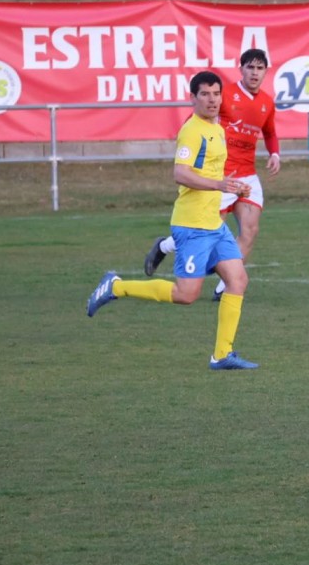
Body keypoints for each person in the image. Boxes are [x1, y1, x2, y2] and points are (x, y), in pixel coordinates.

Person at [87, 71, 258, 370]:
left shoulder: (216, 129)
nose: (212, 99)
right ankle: (116, 287)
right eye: (204, 94)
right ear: (192, 98)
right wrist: (219, 185)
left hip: (213, 224)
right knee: (186, 295)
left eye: (216, 94)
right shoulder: (192, 130)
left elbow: (208, 172)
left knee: (238, 279)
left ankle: (221, 355)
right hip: (192, 225)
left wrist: (230, 184)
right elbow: (180, 173)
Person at [144, 48, 281, 299]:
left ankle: (225, 286)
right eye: (250, 67)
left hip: (248, 175)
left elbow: (270, 132)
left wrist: (275, 154)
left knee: (250, 230)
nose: (254, 72)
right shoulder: (223, 93)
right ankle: (165, 246)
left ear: (265, 71)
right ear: (241, 69)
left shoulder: (266, 103)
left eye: (259, 68)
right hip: (222, 176)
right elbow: (197, 120)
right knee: (206, 228)